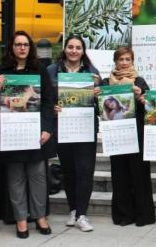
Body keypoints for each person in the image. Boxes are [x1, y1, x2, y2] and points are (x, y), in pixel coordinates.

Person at [0, 31, 55, 239]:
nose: (22, 48)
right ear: (12, 47)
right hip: (11, 133)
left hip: (34, 132)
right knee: (15, 178)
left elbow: (48, 102)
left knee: (38, 176)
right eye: (18, 44)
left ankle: (40, 217)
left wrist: (47, 128)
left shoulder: (39, 71)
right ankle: (21, 219)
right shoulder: (0, 71)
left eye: (25, 44)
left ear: (30, 48)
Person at [47, 35, 101, 232]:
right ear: (65, 49)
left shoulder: (92, 72)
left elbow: (102, 103)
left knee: (85, 171)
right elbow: (45, 98)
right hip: (63, 128)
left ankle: (82, 214)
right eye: (70, 47)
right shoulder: (52, 71)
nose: (74, 51)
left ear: (83, 51)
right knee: (69, 171)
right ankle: (73, 209)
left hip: (86, 128)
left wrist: (97, 93)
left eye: (78, 48)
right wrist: (52, 107)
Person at [98, 47, 156, 227]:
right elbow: (101, 108)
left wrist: (142, 97)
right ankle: (124, 215)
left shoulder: (139, 81)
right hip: (116, 135)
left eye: (127, 59)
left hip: (137, 134)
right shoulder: (106, 82)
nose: (124, 62)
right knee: (119, 175)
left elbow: (151, 107)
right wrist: (95, 97)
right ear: (115, 61)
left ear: (132, 61)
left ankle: (142, 215)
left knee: (139, 175)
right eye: (121, 59)